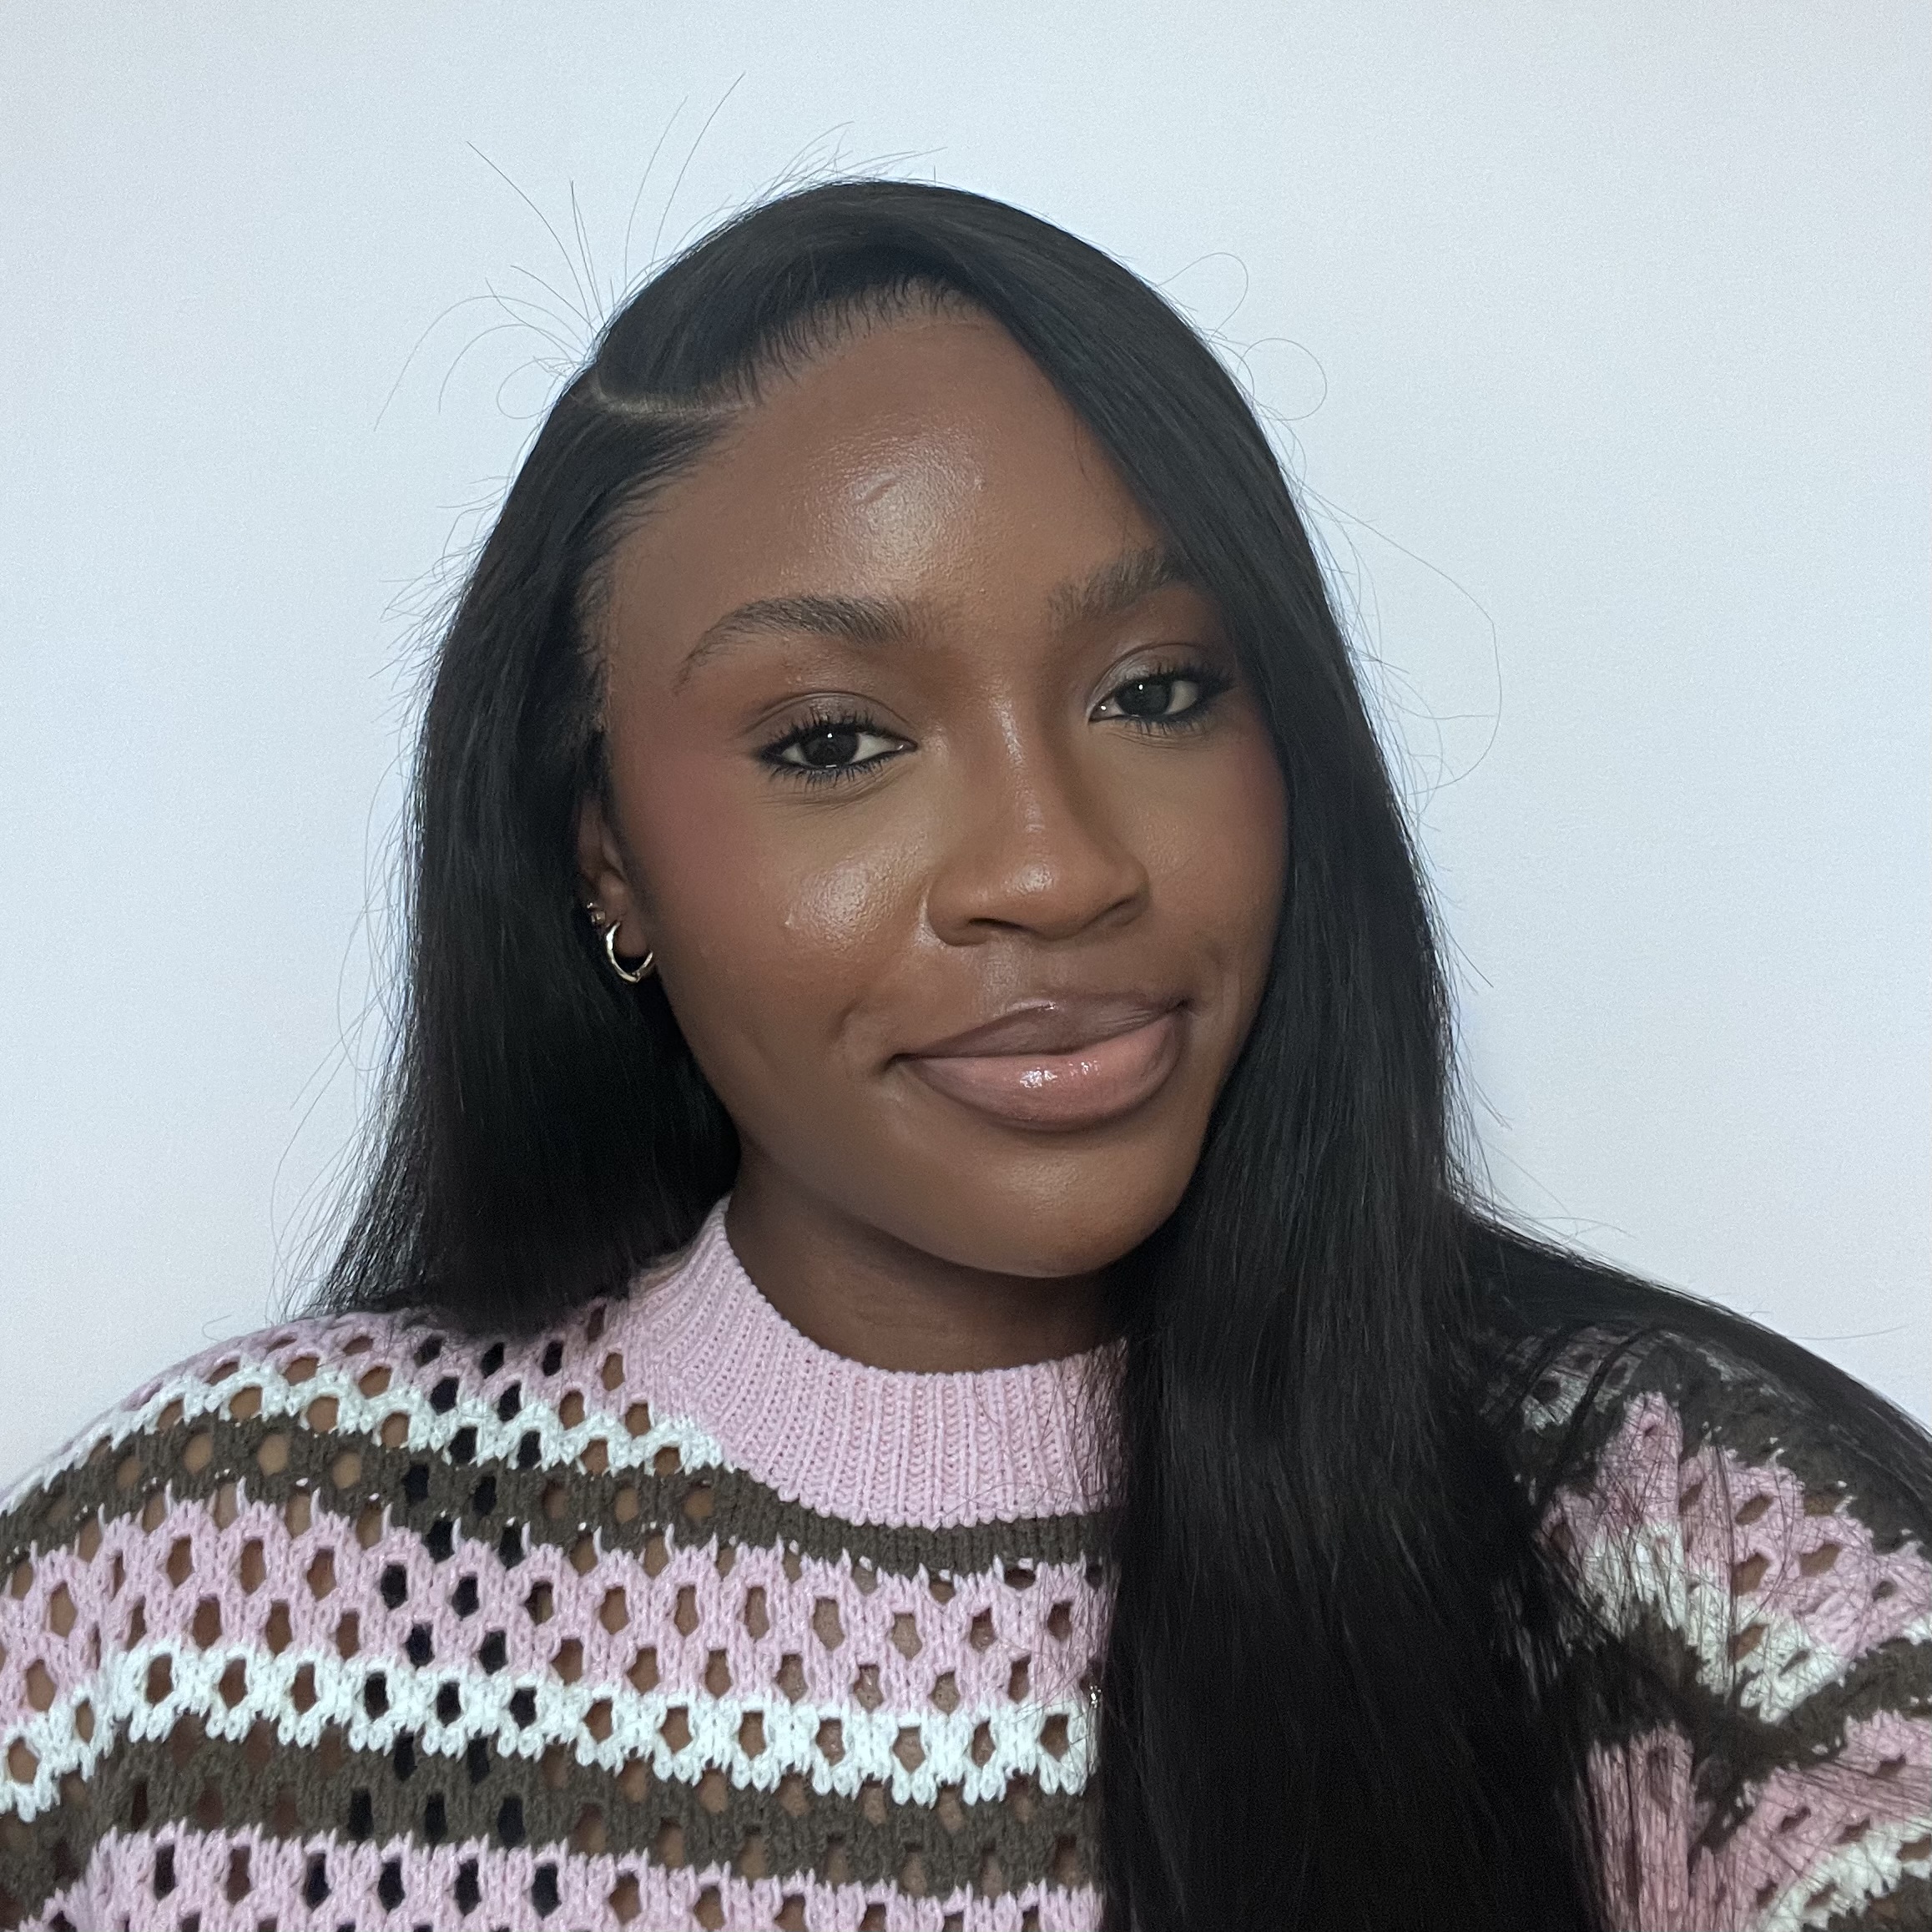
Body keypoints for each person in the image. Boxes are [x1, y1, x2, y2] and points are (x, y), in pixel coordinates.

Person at [1, 179, 1926, 1932]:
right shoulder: (184, 1604)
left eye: (1157, 691)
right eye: (835, 740)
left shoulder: (1712, 1568)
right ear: (609, 855)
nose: (1055, 867)